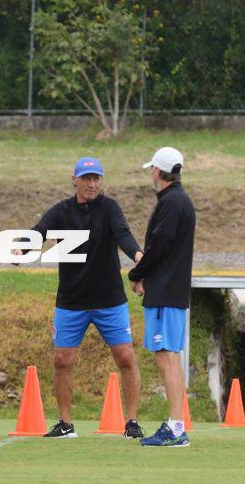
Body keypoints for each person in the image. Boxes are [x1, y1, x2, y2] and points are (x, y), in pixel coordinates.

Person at [18, 157, 145, 439]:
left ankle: (132, 422)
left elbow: (123, 235)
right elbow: (39, 231)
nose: (91, 183)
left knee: (125, 357)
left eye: (96, 178)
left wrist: (138, 256)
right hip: (72, 301)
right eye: (86, 178)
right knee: (62, 360)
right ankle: (65, 424)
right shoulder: (62, 211)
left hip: (110, 300)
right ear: (74, 180)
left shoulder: (110, 207)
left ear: (101, 181)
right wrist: (21, 249)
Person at [129, 147, 196, 448]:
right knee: (172, 357)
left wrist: (137, 273)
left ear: (157, 171)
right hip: (174, 290)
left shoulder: (171, 202)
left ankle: (176, 427)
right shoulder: (180, 200)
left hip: (165, 291)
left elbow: (159, 246)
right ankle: (177, 424)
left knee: (166, 356)